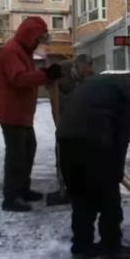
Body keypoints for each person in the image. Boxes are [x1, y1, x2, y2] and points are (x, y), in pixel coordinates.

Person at [57, 65, 130, 259]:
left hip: (66, 140)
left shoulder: (107, 81)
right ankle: (112, 247)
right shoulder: (129, 94)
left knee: (81, 195)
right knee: (109, 197)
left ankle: (82, 248)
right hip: (94, 143)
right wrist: (116, 170)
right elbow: (122, 139)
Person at [0, 17, 62, 212]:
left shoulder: (23, 52)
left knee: (28, 150)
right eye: (38, 38)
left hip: (21, 113)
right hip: (11, 112)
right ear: (30, 36)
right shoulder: (12, 51)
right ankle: (11, 198)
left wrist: (44, 75)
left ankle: (22, 189)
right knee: (16, 155)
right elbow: (19, 79)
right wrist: (45, 75)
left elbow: (28, 78)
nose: (39, 43)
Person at [46, 54, 95, 206]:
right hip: (62, 112)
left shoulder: (90, 76)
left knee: (81, 155)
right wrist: (59, 125)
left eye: (88, 71)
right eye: (83, 71)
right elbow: (53, 96)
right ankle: (63, 188)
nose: (86, 73)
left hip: (79, 120)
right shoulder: (61, 71)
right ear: (77, 66)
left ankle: (80, 187)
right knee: (62, 154)